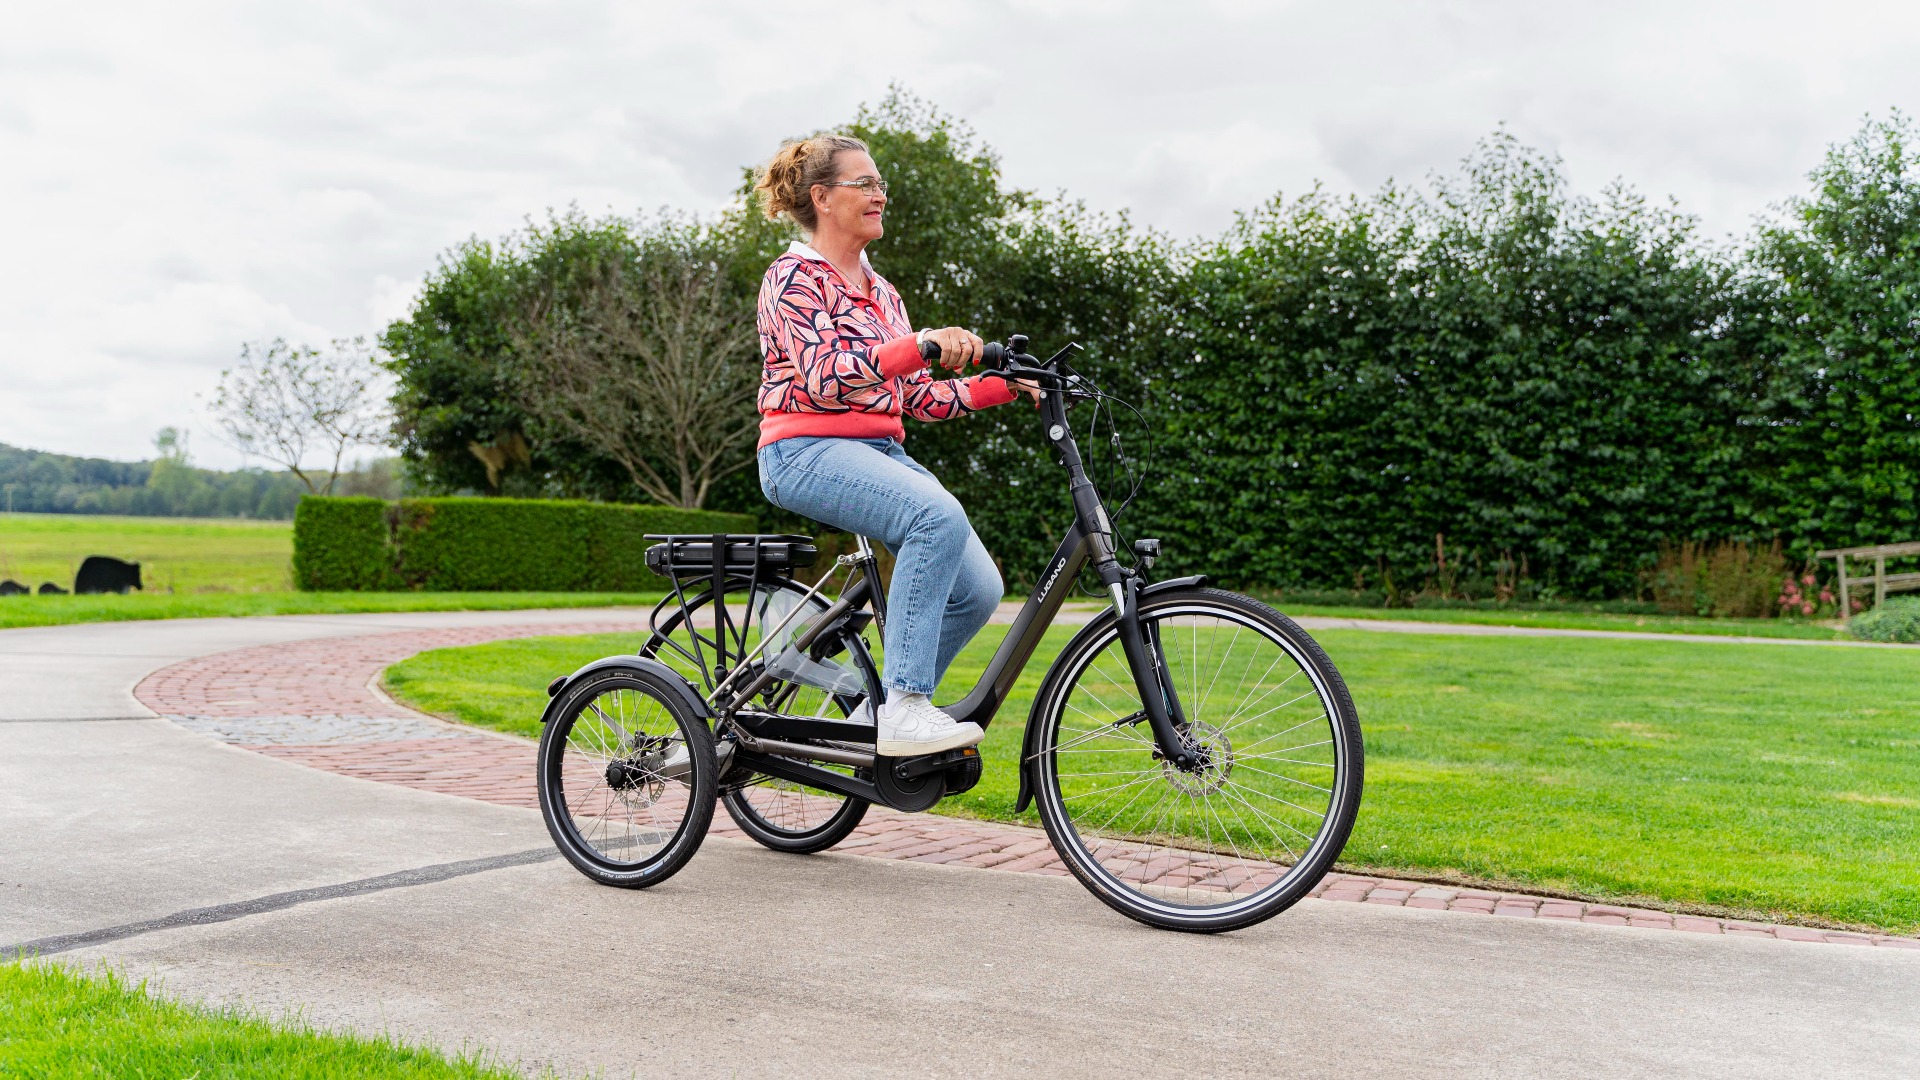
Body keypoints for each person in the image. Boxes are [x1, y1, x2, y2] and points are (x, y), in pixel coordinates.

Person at [751, 134, 1035, 756]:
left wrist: (1001, 387)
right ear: (822, 197)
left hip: (880, 451)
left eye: (881, 184)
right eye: (865, 184)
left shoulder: (882, 292)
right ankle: (905, 706)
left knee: (979, 590)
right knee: (935, 516)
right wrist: (919, 345)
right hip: (803, 450)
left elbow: (917, 397)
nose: (879, 194)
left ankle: (868, 714)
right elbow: (825, 376)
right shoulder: (792, 278)